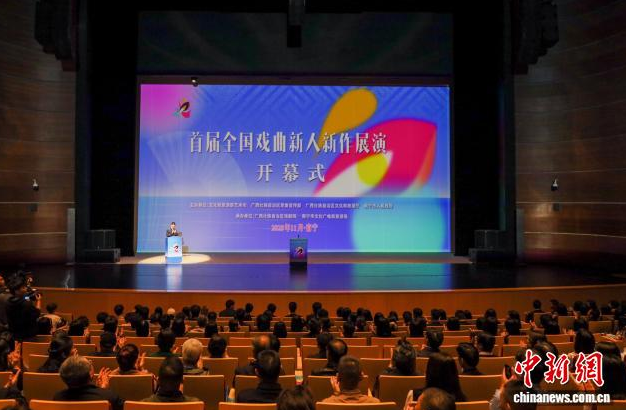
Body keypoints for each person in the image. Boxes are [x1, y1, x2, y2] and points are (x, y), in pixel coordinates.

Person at [53, 355, 124, 410]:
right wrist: (103, 391)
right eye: (90, 364)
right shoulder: (109, 397)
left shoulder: (57, 399)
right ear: (91, 374)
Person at [5, 273, 41, 341]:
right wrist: (39, 301)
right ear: (16, 290)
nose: (26, 289)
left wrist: (29, 298)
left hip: (14, 336)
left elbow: (23, 299)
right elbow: (37, 313)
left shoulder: (8, 301)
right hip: (28, 336)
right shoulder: (26, 304)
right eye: (23, 288)